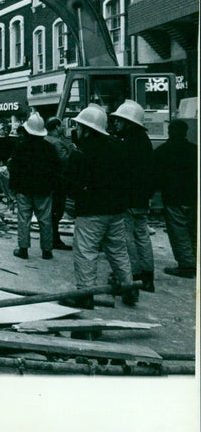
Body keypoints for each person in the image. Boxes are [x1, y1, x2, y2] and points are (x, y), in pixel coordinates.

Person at [61, 104, 138, 309]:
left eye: (78, 126)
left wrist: (76, 198)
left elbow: (70, 183)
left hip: (91, 210)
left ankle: (85, 294)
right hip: (116, 209)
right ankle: (128, 287)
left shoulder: (81, 153)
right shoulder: (117, 147)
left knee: (86, 251)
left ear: (87, 129)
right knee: (117, 249)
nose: (76, 130)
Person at [110, 100, 156, 292]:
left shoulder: (126, 145)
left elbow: (121, 173)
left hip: (128, 199)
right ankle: (147, 277)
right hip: (141, 199)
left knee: (126, 238)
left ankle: (134, 274)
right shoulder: (144, 142)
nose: (116, 124)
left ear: (128, 123)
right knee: (142, 236)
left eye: (119, 121)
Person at [8, 112, 60, 260]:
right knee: (45, 220)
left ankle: (23, 249)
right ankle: (47, 250)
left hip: (24, 189)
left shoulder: (20, 147)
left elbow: (14, 170)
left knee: (24, 220)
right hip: (43, 190)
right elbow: (56, 170)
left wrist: (12, 189)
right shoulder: (49, 148)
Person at [152, 120, 197, 278]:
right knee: (193, 231)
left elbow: (155, 176)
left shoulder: (163, 151)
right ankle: (195, 260)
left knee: (179, 232)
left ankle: (186, 265)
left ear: (170, 132)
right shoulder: (194, 150)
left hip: (173, 198)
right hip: (193, 198)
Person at [44, 117, 75, 251]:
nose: (63, 128)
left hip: (48, 182)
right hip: (58, 182)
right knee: (57, 212)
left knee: (48, 212)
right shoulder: (57, 143)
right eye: (61, 126)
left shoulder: (45, 140)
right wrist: (72, 150)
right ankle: (54, 240)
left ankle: (49, 238)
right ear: (56, 127)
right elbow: (65, 161)